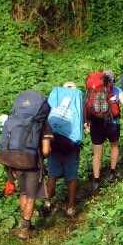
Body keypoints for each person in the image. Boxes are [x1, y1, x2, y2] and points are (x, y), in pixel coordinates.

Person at [0, 90, 52, 240]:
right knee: (31, 196)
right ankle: (25, 228)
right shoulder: (42, 124)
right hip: (31, 162)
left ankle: (24, 223)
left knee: (23, 193)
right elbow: (46, 151)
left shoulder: (14, 119)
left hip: (13, 160)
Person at [85, 71, 123, 191]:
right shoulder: (117, 90)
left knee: (97, 153)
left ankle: (97, 180)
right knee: (114, 146)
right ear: (112, 80)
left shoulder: (92, 90)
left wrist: (86, 122)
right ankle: (112, 172)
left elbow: (87, 106)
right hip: (112, 124)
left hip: (96, 124)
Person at [43, 82, 83, 217]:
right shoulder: (77, 99)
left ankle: (47, 202)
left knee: (52, 176)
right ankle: (70, 206)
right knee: (72, 177)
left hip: (54, 143)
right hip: (70, 145)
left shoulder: (56, 99)